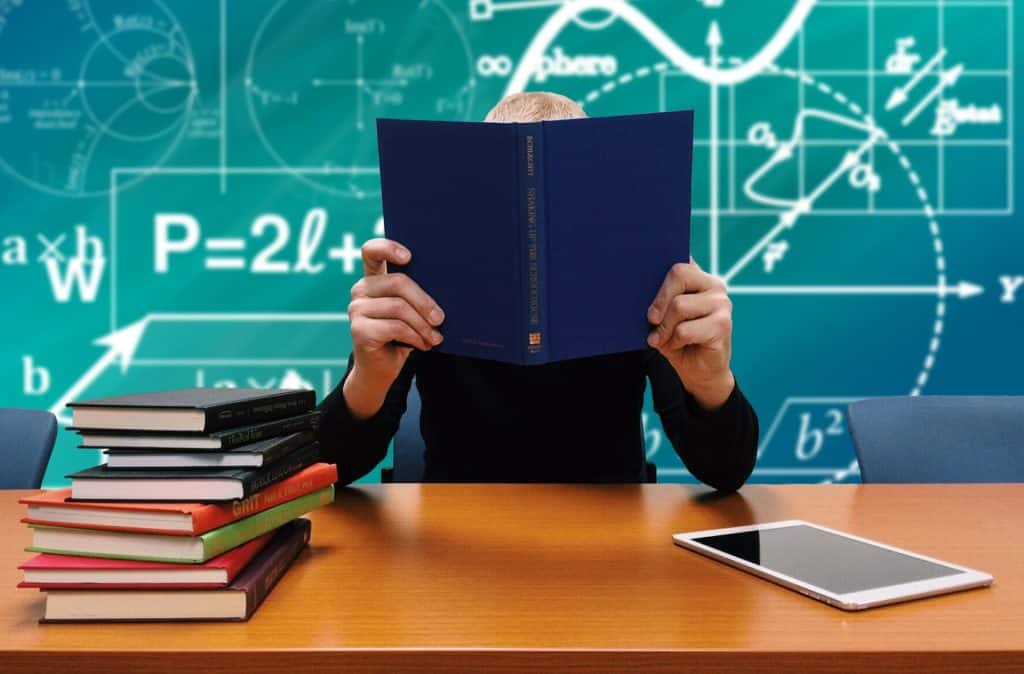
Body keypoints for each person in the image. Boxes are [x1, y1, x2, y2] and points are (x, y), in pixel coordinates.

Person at [317, 91, 758, 489]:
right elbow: (332, 468)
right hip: (455, 542)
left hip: (610, 542)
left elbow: (725, 470)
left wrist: (710, 381)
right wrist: (368, 380)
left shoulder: (643, 276)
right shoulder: (419, 274)